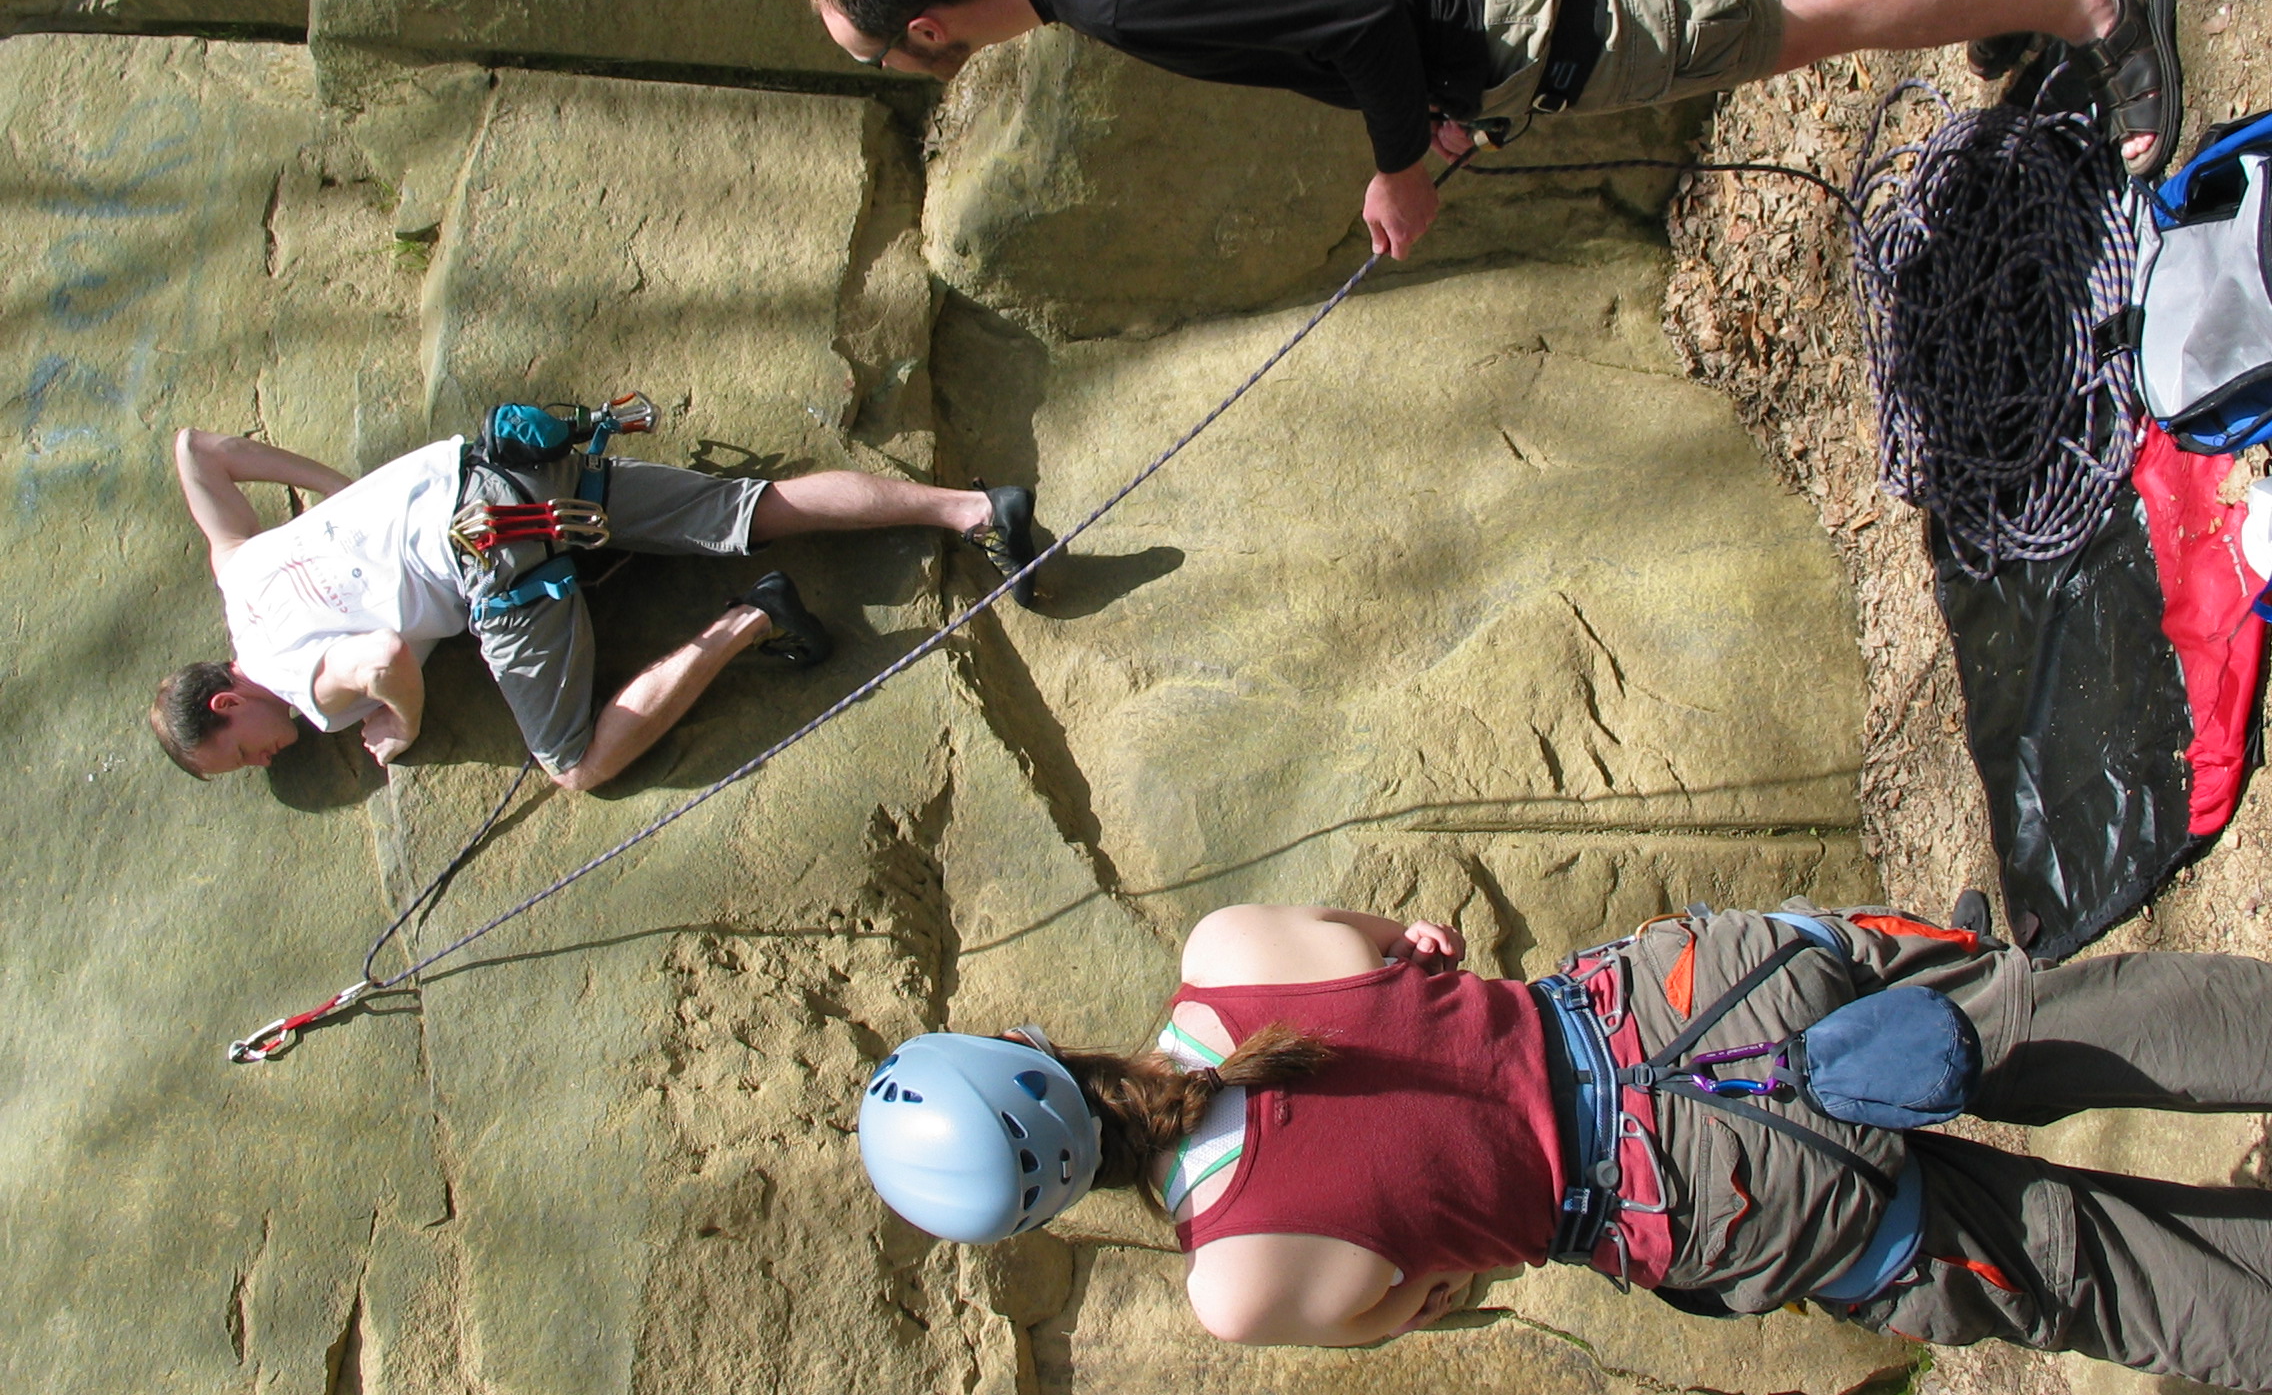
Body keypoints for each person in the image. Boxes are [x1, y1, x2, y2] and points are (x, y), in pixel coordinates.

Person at [858, 901, 2272, 1389]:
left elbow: (1430, 1291)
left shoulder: (1232, 1282)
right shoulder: (1228, 953)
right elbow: (1420, 944)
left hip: (1709, 1199)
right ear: (1024, 1046)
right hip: (1690, 1001)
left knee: (2076, 1269)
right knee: (2047, 1020)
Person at [809, 0, 2183, 261]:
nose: (897, 68)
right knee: (1786, 8)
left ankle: (2095, 9)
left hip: (1508, 17)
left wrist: (1399, 168)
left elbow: (1351, 15)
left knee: (1795, 13)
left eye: (880, 57)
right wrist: (1433, 111)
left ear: (926, 32)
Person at [149, 424, 1038, 789]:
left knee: (575, 764)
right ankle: (971, 509)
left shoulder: (301, 690)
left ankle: (757, 616)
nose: (267, 756)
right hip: (502, 464)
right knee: (748, 509)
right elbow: (197, 452)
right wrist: (335, 492)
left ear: (228, 698)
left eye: (243, 751)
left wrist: (402, 723)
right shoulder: (236, 570)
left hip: (495, 560)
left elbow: (381, 658)